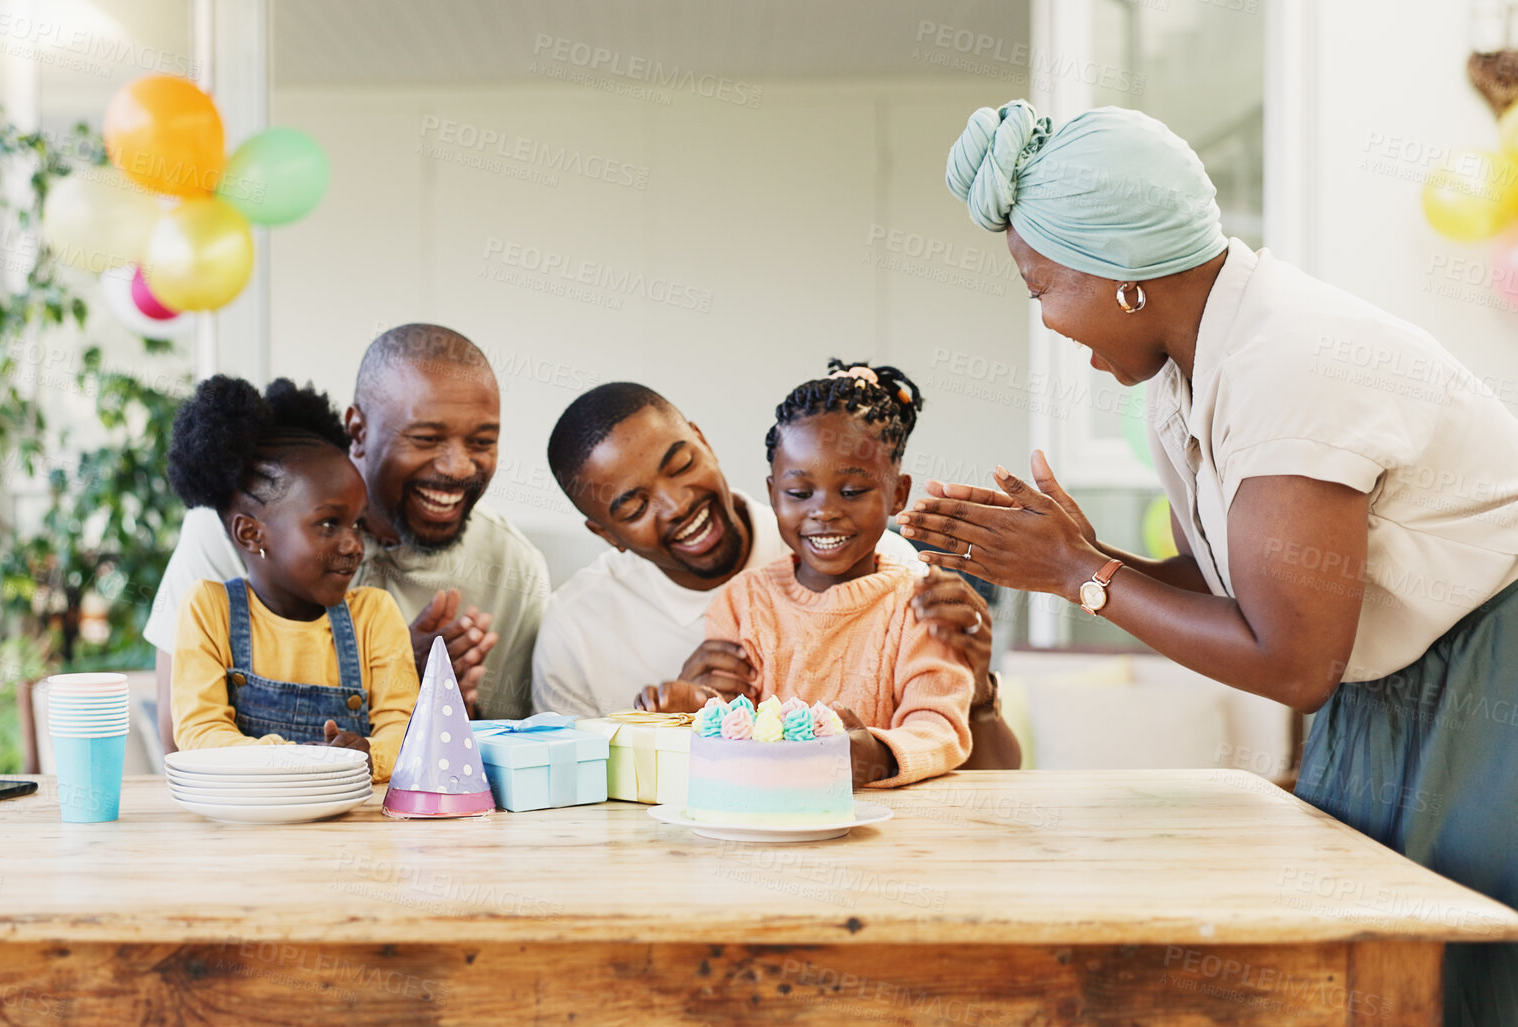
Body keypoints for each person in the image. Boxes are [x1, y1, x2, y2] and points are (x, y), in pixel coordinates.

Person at [914, 98, 1518, 1020]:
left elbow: (1291, 660)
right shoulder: (1190, 366)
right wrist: (1078, 556)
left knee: (1457, 974)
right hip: (1396, 684)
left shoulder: (1291, 362)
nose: (1043, 320)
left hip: (1486, 680)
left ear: (1120, 276)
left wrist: (1079, 573)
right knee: (1362, 970)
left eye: (1041, 289)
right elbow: (1249, 582)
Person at [536, 381, 1021, 769]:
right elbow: (731, 724)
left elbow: (952, 740)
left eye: (681, 465)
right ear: (606, 534)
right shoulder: (578, 630)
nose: (677, 503)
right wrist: (685, 711)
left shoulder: (902, 579)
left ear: (704, 442)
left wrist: (973, 694)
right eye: (635, 505)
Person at [146, 324, 549, 745]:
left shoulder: (514, 567)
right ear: (357, 430)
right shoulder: (234, 526)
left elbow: (512, 753)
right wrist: (380, 664)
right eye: (426, 438)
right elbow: (179, 737)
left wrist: (446, 705)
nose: (458, 467)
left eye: (482, 441)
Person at [641, 362, 975, 789]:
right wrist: (691, 703)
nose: (824, 511)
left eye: (852, 492)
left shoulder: (921, 604)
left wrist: (876, 754)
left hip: (883, 829)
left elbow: (939, 726)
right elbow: (730, 715)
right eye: (799, 494)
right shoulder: (743, 600)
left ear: (898, 494)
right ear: (772, 494)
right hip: (763, 815)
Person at [165, 375, 416, 782]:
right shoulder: (210, 610)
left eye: (357, 524)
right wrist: (300, 761)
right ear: (252, 534)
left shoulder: (374, 616)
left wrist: (370, 755)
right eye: (329, 524)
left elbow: (403, 729)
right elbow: (199, 733)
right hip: (245, 830)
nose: (354, 545)